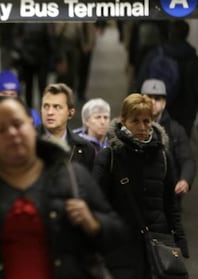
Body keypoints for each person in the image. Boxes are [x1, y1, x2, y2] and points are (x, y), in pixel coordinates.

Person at [0, 96, 125, 278]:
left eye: (17, 124)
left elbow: (118, 237)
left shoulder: (70, 175)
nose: (12, 133)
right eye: (0, 129)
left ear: (31, 125)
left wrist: (94, 224)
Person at [92, 93, 189, 279]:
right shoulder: (110, 157)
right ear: (123, 121)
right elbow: (97, 202)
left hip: (157, 244)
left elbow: (171, 203)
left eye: (146, 121)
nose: (142, 127)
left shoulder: (162, 156)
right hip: (121, 247)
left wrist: (180, 239)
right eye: (135, 121)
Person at [140, 79, 196, 198]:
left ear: (164, 103)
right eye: (149, 97)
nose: (153, 102)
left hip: (166, 195)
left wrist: (184, 180)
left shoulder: (175, 130)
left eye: (157, 99)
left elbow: (187, 159)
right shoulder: (130, 128)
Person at [37, 83, 96, 171]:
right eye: (46, 106)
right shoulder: (26, 143)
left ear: (71, 113)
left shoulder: (86, 149)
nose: (49, 112)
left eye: (57, 107)